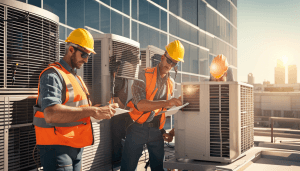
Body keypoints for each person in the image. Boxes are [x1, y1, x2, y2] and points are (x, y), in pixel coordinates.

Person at [33, 28, 118, 171]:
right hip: (57, 148)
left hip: (75, 147)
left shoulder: (76, 78)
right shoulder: (53, 75)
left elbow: (80, 108)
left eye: (89, 55)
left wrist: (101, 109)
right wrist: (93, 110)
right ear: (71, 50)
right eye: (84, 54)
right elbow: (51, 113)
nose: (86, 59)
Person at [120, 40, 185, 171]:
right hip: (137, 129)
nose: (170, 65)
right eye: (169, 61)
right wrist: (168, 102)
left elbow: (163, 109)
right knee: (128, 168)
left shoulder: (170, 83)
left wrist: (175, 104)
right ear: (163, 57)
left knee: (158, 168)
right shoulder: (144, 74)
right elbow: (140, 105)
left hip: (157, 132)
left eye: (174, 63)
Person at [163, 54, 235, 143]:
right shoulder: (200, 91)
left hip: (224, 144)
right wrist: (171, 134)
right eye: (215, 78)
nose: (217, 81)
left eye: (219, 78)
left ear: (226, 74)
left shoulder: (233, 96)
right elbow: (186, 115)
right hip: (203, 142)